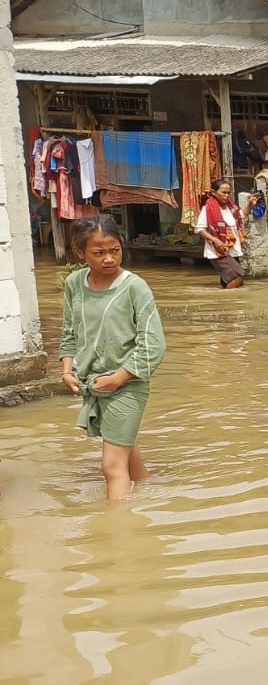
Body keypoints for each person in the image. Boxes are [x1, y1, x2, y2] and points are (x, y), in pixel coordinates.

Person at [58, 215, 167, 501]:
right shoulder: (74, 284)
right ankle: (152, 494)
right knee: (124, 445)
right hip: (92, 381)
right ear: (80, 253)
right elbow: (70, 331)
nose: (108, 259)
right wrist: (68, 371)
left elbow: (152, 344)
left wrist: (119, 378)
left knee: (111, 466)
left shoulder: (135, 287)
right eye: (99, 252)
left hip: (127, 382)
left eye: (114, 250)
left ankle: (116, 534)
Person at [198, 181, 245, 288]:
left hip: (232, 250)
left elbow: (241, 216)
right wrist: (216, 240)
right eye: (223, 192)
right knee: (238, 276)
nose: (227, 195)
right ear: (214, 192)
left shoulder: (231, 208)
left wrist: (251, 205)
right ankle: (227, 299)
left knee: (230, 281)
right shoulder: (208, 208)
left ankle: (226, 302)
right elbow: (200, 230)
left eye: (228, 193)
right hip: (218, 250)